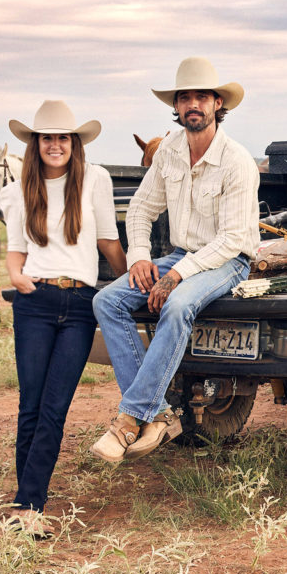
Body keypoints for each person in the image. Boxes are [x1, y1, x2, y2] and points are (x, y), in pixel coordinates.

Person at [91, 57, 260, 463]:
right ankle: (158, 413)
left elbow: (233, 239)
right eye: (185, 98)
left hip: (228, 260)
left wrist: (175, 277)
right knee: (107, 302)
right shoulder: (169, 150)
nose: (193, 105)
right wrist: (139, 258)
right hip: (184, 255)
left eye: (201, 97)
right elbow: (139, 210)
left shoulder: (237, 160)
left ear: (218, 104)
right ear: (177, 107)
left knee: (179, 304)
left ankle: (130, 419)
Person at [0, 100, 127, 535]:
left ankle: (27, 502)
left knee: (55, 405)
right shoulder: (19, 188)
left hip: (78, 306)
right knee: (31, 404)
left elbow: (109, 240)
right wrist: (17, 276)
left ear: (74, 143)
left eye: (63, 138)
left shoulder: (95, 180)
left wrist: (133, 280)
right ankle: (27, 504)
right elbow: (17, 247)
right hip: (34, 301)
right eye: (47, 138)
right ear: (36, 145)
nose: (55, 145)